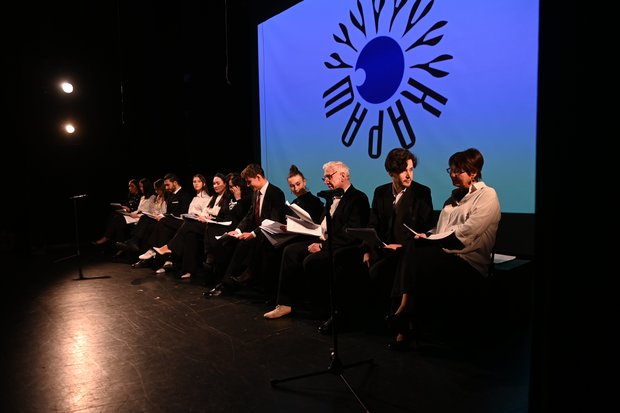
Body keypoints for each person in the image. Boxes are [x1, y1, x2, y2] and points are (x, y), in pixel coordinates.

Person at [387, 148, 501, 351]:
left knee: (415, 254)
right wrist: (427, 235)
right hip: (445, 255)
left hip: (468, 261)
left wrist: (435, 240)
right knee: (412, 244)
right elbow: (440, 230)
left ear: (473, 173)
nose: (453, 174)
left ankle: (403, 315)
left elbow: (467, 233)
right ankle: (404, 313)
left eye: (458, 171)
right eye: (451, 170)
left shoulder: (487, 195)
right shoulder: (451, 200)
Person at [263, 160, 370, 332]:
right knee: (290, 251)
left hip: (340, 245)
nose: (326, 181)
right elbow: (323, 225)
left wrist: (322, 246)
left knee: (312, 260)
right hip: (322, 239)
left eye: (329, 177)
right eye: (324, 178)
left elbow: (351, 234)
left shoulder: (358, 198)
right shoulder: (330, 198)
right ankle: (285, 304)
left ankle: (323, 309)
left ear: (343, 175)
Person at [361, 148, 435, 331]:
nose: (409, 175)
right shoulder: (381, 192)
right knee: (362, 268)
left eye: (411, 169)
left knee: (382, 272)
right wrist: (367, 250)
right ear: (391, 173)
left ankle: (399, 323)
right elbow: (373, 224)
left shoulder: (422, 192)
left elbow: (426, 228)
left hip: (408, 251)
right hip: (383, 249)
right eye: (403, 171)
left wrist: (403, 246)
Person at [205, 163, 287, 298]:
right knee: (229, 241)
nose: (248, 185)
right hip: (259, 232)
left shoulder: (275, 193)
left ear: (258, 177)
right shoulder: (256, 193)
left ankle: (239, 279)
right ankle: (227, 281)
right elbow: (249, 215)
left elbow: (273, 222)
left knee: (246, 244)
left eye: (249, 182)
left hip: (271, 234)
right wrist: (238, 230)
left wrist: (253, 234)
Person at [153, 173, 231, 279]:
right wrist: (203, 216)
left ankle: (169, 248)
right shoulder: (213, 197)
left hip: (213, 226)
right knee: (189, 234)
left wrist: (208, 217)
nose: (215, 186)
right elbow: (205, 211)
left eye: (218, 183)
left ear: (225, 184)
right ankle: (188, 270)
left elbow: (221, 215)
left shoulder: (225, 198)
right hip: (202, 223)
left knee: (186, 225)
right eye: (214, 184)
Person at [139, 173, 210, 267]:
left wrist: (198, 216)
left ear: (204, 183)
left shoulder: (200, 197)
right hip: (185, 221)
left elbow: (204, 214)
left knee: (163, 221)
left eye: (198, 181)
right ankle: (165, 261)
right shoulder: (193, 198)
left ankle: (155, 250)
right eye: (194, 181)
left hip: (190, 223)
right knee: (161, 226)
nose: (196, 183)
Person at [92, 178, 143, 246]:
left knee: (118, 219)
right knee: (113, 215)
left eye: (132, 186)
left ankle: (109, 238)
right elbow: (128, 206)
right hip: (128, 214)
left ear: (137, 187)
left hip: (134, 216)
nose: (130, 188)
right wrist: (124, 208)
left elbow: (139, 210)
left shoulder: (141, 197)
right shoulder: (130, 196)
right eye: (129, 186)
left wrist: (130, 210)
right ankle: (111, 238)